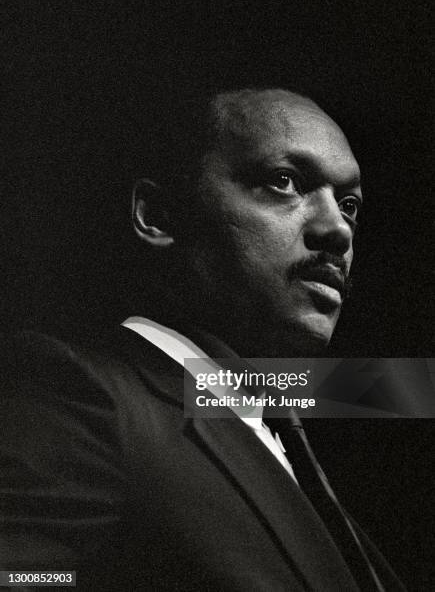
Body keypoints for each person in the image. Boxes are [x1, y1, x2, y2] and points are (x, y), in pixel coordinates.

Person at [0, 88, 405, 590]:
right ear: (159, 215)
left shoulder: (281, 432)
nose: (338, 230)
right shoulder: (80, 393)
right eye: (285, 182)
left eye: (349, 205)